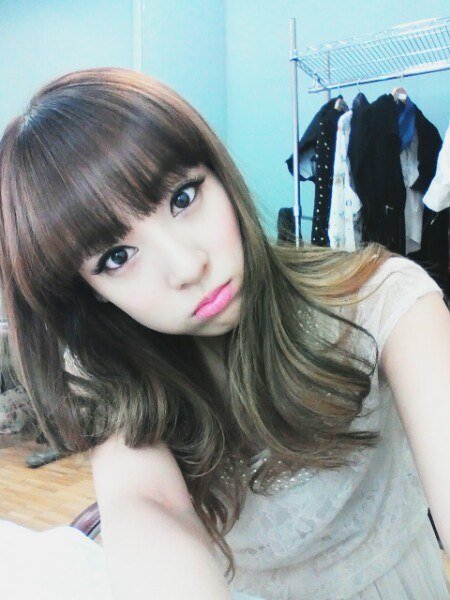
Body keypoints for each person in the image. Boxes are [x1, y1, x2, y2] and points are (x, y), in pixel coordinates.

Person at [0, 67, 448, 600]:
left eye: (183, 198)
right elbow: (147, 507)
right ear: (88, 291)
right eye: (117, 257)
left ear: (218, 175)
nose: (187, 266)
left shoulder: (380, 300)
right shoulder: (109, 374)